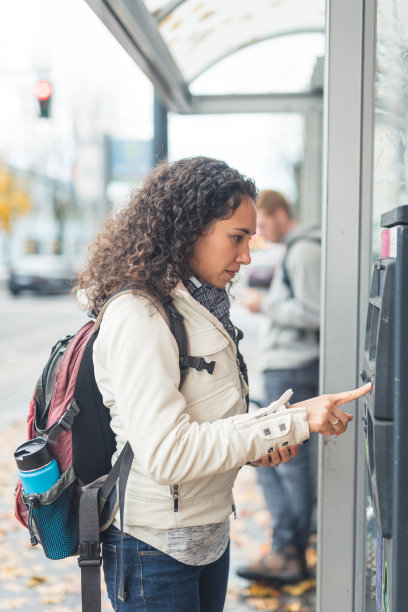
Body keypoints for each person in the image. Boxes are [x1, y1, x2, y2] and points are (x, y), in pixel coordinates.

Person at [75, 158, 370, 611]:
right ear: (191, 229)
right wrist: (286, 423)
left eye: (250, 240)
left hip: (207, 535)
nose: (247, 256)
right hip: (154, 547)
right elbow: (168, 451)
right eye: (236, 238)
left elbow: (207, 420)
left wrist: (256, 445)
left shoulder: (199, 302)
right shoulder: (141, 313)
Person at [238, 189, 321, 583]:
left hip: (293, 368)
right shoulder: (297, 249)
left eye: (265, 225)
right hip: (287, 367)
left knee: (287, 461)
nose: (263, 235)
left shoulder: (303, 252)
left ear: (282, 214)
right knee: (272, 458)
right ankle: (287, 546)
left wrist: (264, 303)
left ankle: (291, 550)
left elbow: (314, 312)